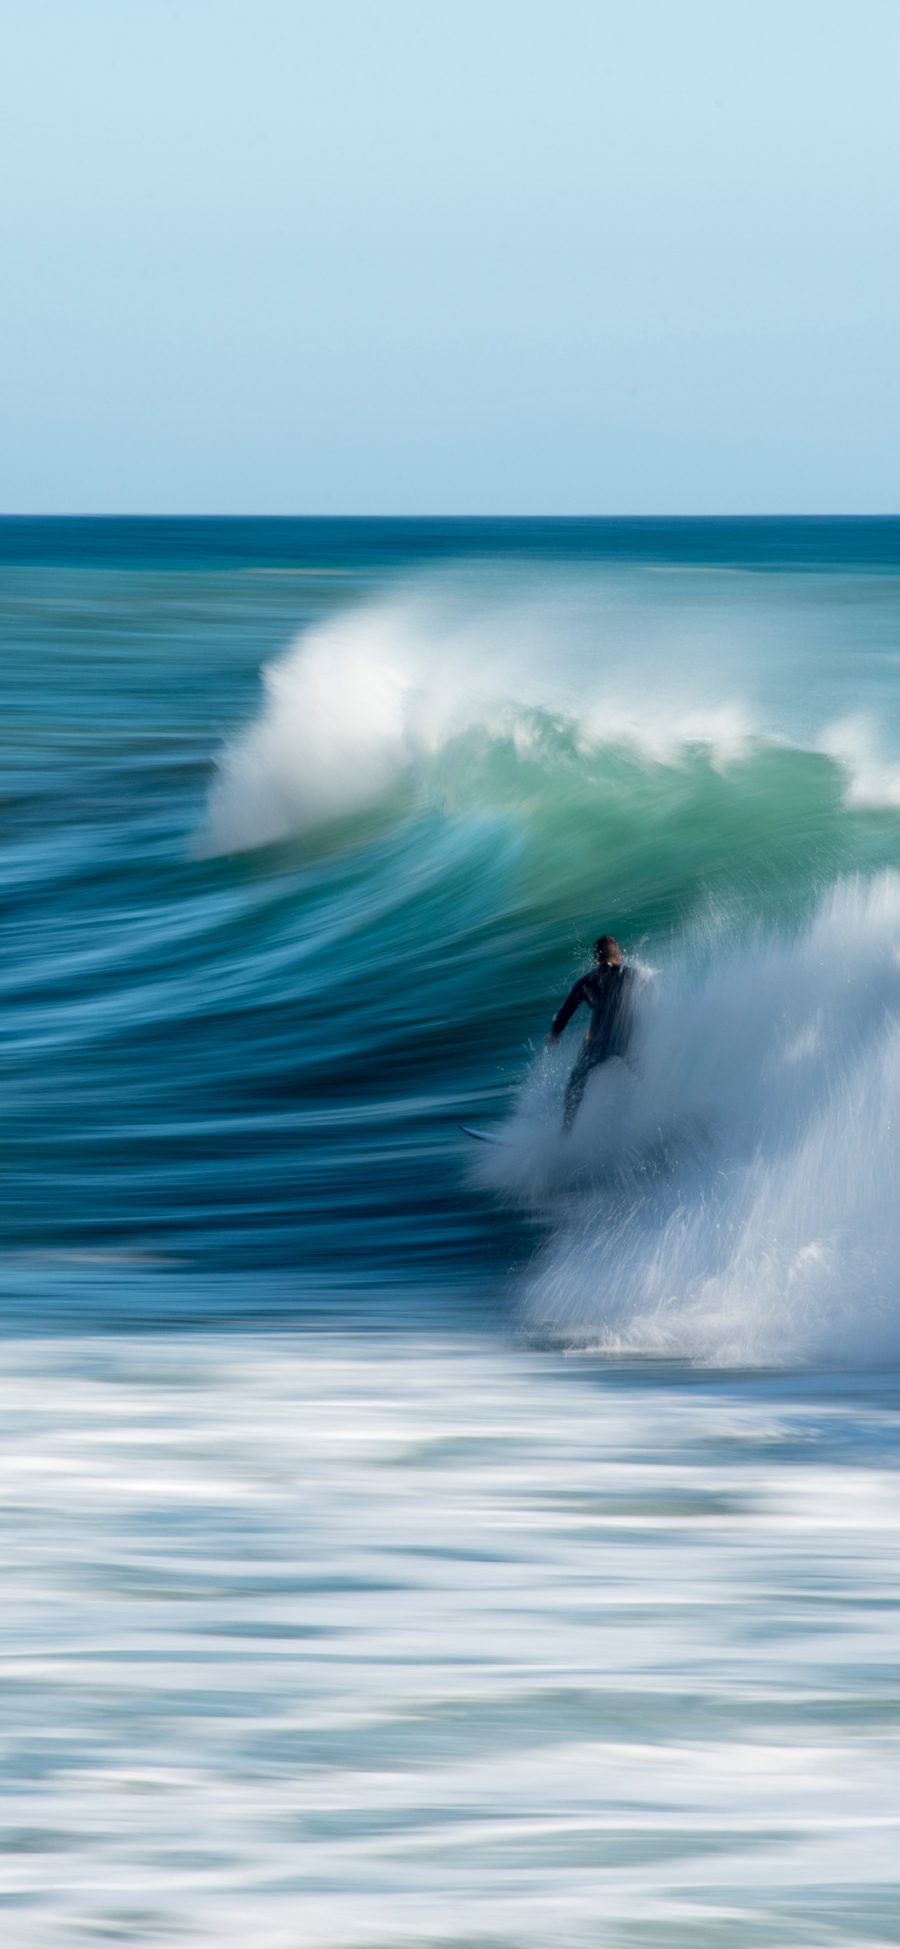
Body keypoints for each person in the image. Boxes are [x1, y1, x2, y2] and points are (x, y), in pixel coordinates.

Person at [546, 935, 635, 1130]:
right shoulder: (633, 976)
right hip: (627, 1040)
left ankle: (566, 1132)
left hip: (599, 1042)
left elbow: (564, 1013)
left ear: (596, 959)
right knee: (645, 1074)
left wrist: (555, 1033)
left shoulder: (586, 982)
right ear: (618, 956)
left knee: (576, 1083)